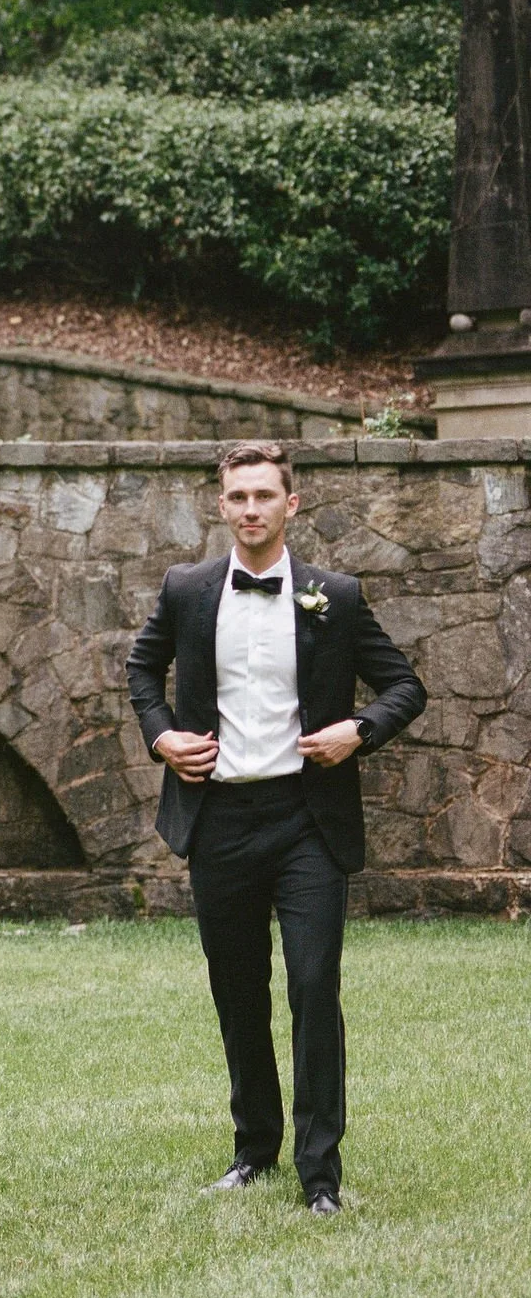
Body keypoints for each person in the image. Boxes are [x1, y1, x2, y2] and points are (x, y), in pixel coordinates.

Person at [126, 440, 425, 1214]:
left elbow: (403, 685)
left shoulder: (338, 595)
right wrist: (161, 736)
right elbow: (140, 668)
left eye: (265, 496)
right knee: (237, 989)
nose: (251, 509)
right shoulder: (187, 588)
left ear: (292, 506)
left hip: (306, 820)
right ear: (221, 505)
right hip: (218, 813)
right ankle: (253, 1148)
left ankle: (319, 1171)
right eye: (239, 496)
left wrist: (357, 730)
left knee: (314, 983)